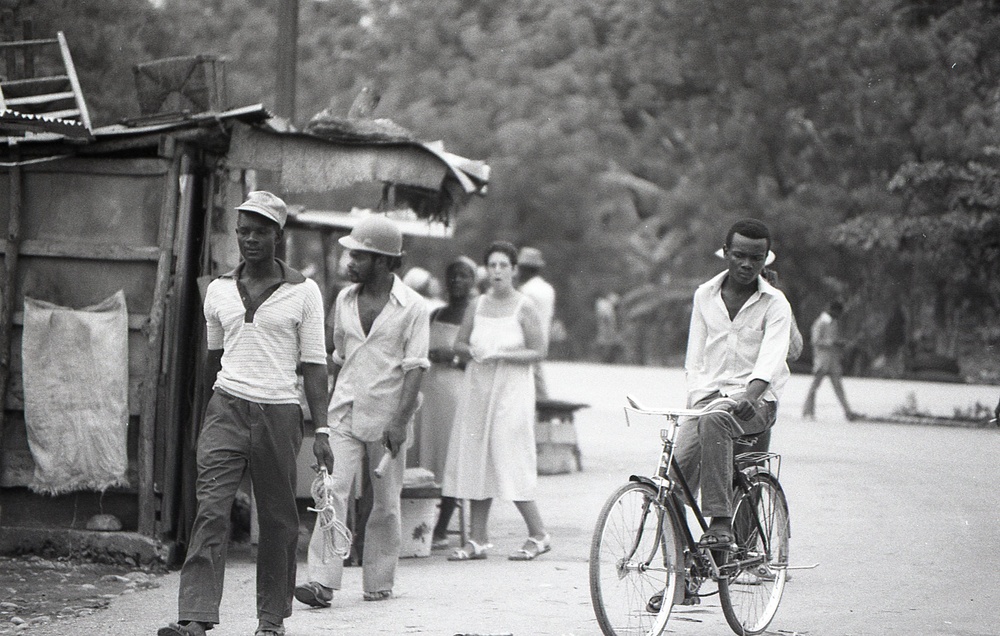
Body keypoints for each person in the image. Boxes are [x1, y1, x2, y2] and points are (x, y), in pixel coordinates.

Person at [159, 191, 332, 636]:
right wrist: (207, 415)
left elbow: (314, 365)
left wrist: (323, 430)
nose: (250, 240)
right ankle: (196, 617)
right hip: (227, 407)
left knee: (276, 519)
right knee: (211, 510)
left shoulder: (304, 291)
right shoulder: (216, 290)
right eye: (243, 232)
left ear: (279, 235)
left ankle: (271, 620)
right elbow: (213, 359)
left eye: (260, 232)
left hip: (279, 411)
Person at [295, 214, 429, 607]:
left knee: (385, 502)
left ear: (385, 262)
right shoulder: (344, 299)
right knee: (331, 490)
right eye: (350, 254)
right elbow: (337, 355)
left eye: (359, 256)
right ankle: (321, 582)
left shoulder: (413, 307)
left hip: (389, 416)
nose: (349, 262)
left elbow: (416, 367)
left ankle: (378, 581)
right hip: (346, 410)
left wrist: (401, 421)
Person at [676, 218, 792, 548]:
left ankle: (721, 522)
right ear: (726, 253)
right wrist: (692, 405)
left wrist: (749, 396)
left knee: (717, 419)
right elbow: (694, 358)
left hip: (756, 404)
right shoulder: (704, 295)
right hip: (707, 401)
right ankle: (683, 576)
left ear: (766, 259)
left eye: (756, 258)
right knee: (672, 485)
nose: (746, 264)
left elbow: (771, 361)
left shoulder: (776, 304)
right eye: (739, 255)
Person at [442, 241, 551, 562]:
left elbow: (539, 351)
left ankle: (539, 533)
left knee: (508, 453)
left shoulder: (525, 306)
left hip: (512, 390)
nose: (498, 271)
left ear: (515, 270)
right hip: (478, 388)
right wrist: (472, 352)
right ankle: (478, 538)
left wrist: (503, 354)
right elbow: (459, 343)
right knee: (477, 454)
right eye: (492, 265)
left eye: (504, 265)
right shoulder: (476, 305)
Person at [407, 256, 479, 549]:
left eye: (463, 275)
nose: (457, 281)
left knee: (450, 457)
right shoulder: (435, 314)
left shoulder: (475, 316)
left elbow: (481, 357)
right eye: (452, 276)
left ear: (473, 280)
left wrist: (455, 357)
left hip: (456, 393)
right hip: (428, 393)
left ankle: (442, 525)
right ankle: (417, 521)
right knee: (425, 452)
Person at [802, 301, 859, 421]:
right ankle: (807, 412)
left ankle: (848, 412)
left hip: (833, 361)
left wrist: (839, 343)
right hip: (822, 360)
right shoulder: (820, 322)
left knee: (839, 387)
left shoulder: (833, 323)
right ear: (833, 310)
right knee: (814, 387)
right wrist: (832, 342)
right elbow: (815, 341)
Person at [516, 246, 554, 400]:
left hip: (526, 344)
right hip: (542, 341)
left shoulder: (526, 291)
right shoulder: (547, 289)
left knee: (533, 385)